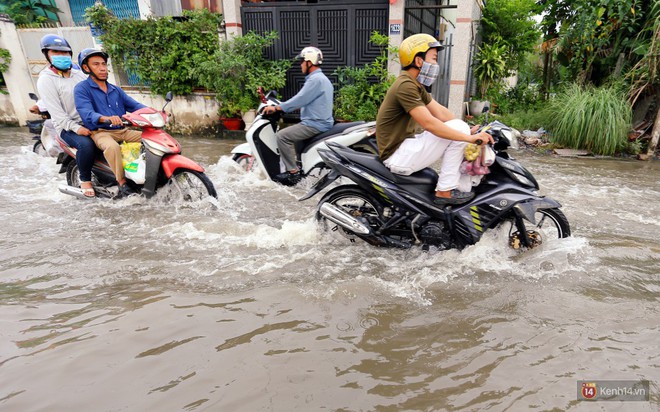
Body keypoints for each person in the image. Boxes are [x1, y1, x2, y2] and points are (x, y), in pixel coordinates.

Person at [376, 33, 494, 206]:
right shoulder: (405, 86)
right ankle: (444, 191)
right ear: (418, 61)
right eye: (434, 58)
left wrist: (467, 129)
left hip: (406, 147)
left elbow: (440, 113)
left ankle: (449, 188)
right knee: (459, 132)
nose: (436, 65)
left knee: (459, 128)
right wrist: (468, 138)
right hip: (398, 155)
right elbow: (429, 123)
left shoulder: (415, 85)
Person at [74, 48, 145, 197]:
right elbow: (86, 112)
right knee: (112, 147)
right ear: (86, 68)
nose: (102, 68)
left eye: (104, 64)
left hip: (122, 130)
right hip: (100, 132)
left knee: (152, 139)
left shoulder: (115, 89)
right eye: (96, 64)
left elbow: (135, 106)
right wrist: (105, 118)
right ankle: (122, 183)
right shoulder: (82, 89)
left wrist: (156, 112)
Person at [262, 46, 334, 186]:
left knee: (282, 136)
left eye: (302, 62)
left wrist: (277, 107)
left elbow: (300, 99)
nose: (300, 65)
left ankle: (292, 173)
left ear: (309, 62)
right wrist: (282, 105)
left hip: (314, 124)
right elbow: (302, 99)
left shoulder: (315, 80)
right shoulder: (320, 78)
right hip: (320, 122)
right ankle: (300, 167)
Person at [36, 34, 96, 197]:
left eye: (65, 53)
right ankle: (85, 180)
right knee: (86, 145)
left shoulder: (80, 74)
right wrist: (77, 128)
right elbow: (58, 114)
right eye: (56, 52)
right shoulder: (46, 80)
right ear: (47, 55)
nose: (62, 56)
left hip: (91, 121)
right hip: (67, 128)